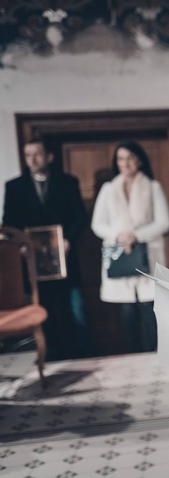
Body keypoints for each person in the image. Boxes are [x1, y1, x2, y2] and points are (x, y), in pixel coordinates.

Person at [2, 139, 93, 360]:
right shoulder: (14, 187)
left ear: (49, 157)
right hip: (33, 263)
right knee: (44, 310)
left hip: (65, 258)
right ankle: (52, 356)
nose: (32, 159)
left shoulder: (68, 182)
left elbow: (79, 217)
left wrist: (68, 241)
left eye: (37, 154)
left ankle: (85, 355)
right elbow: (9, 222)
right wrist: (21, 245)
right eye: (28, 155)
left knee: (75, 309)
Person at [91, 142, 169, 352]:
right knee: (126, 309)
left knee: (149, 307)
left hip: (147, 252)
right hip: (120, 254)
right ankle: (133, 354)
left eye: (130, 158)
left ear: (139, 160)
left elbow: (164, 221)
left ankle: (153, 352)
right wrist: (119, 235)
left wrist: (136, 235)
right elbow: (97, 224)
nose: (125, 163)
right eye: (121, 159)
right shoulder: (108, 189)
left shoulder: (153, 186)